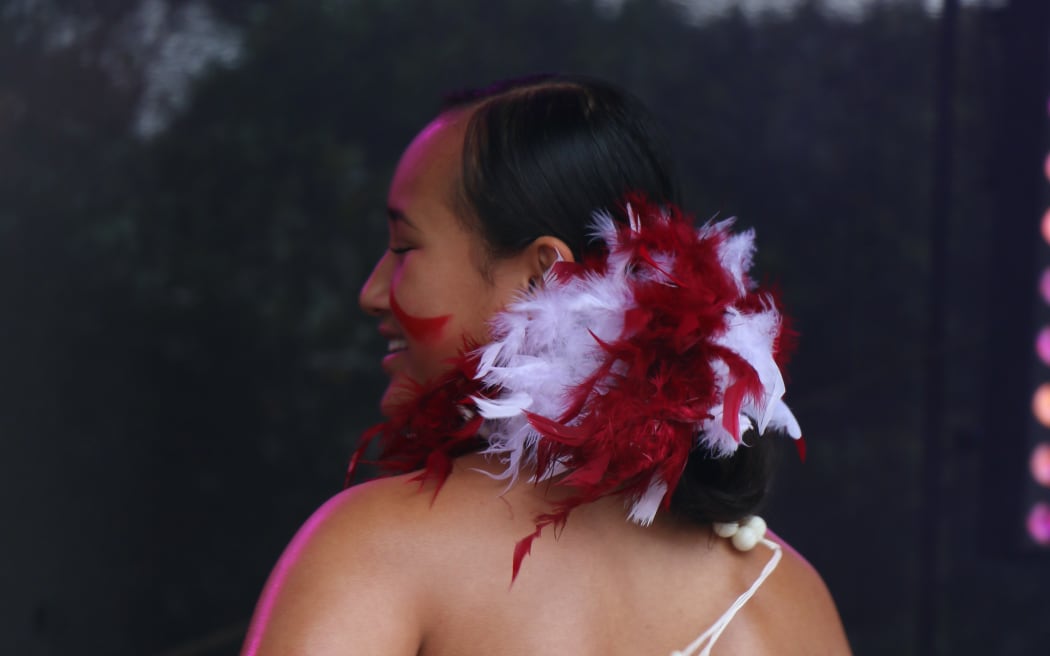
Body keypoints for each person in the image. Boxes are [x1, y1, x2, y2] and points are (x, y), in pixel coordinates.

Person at [241, 75, 851, 656]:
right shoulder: (789, 595)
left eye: (403, 249)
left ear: (544, 276)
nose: (372, 291)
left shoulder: (380, 548)